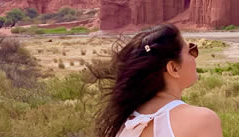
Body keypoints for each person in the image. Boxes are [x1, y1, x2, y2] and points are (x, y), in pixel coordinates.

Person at [94, 23, 223, 137]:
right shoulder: (202, 121)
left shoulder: (124, 125)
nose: (195, 57)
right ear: (173, 68)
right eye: (191, 51)